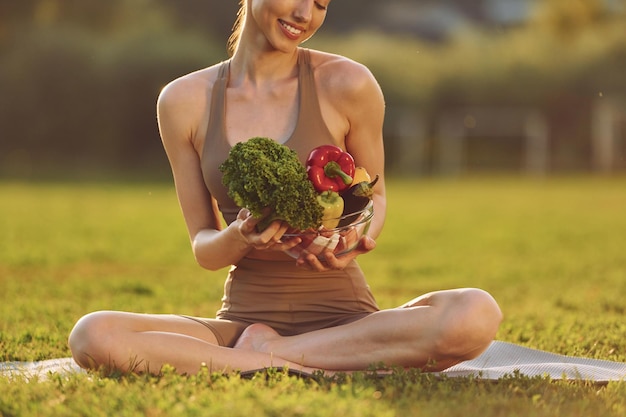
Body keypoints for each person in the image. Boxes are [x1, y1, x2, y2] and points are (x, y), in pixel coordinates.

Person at [68, 0, 502, 376]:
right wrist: (238, 237)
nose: (304, 14)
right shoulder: (184, 101)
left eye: (321, 5)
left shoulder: (347, 84)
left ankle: (270, 358)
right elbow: (203, 245)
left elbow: (375, 196)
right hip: (241, 323)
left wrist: (352, 236)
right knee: (93, 334)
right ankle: (296, 364)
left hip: (347, 325)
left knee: (475, 313)